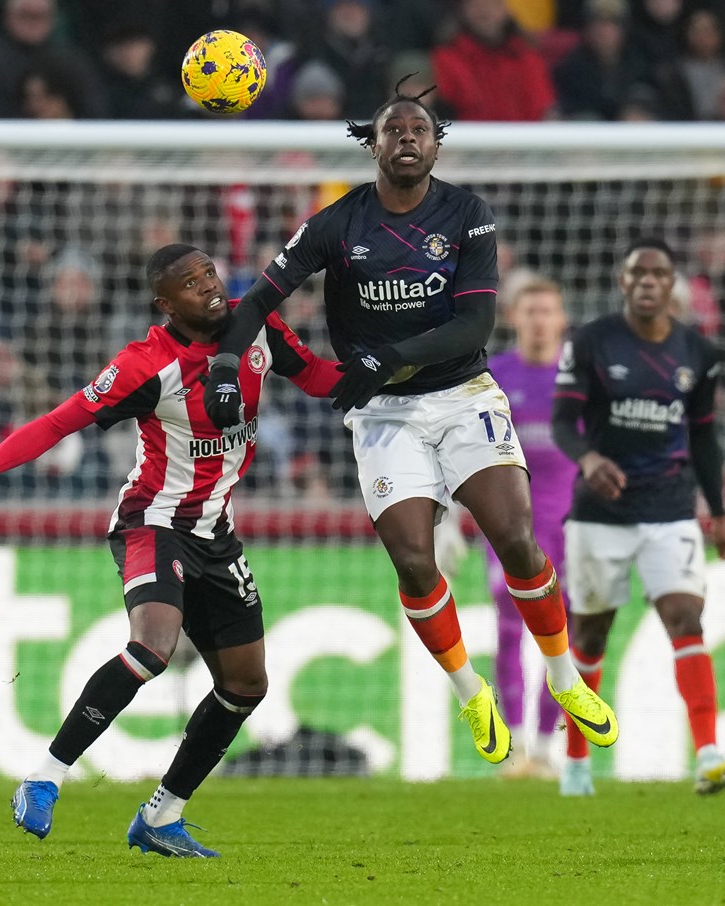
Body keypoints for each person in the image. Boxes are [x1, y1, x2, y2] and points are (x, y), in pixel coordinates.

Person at [201, 77, 619, 768]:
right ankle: (469, 692)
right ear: (372, 144)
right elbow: (259, 298)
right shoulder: (337, 223)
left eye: (418, 130)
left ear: (435, 144)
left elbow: (474, 323)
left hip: (462, 397)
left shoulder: (466, 214)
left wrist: (385, 359)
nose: (405, 138)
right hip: (383, 415)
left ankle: (565, 678)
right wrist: (222, 365)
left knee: (514, 540)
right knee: (414, 560)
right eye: (392, 129)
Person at [0, 244, 340, 857]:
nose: (208, 286)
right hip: (151, 522)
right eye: (190, 282)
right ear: (165, 304)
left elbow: (318, 376)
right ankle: (45, 776)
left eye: (209, 272)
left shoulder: (255, 321)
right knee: (153, 646)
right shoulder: (145, 364)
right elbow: (57, 422)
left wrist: (401, 373)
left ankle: (162, 815)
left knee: (245, 686)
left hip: (217, 532)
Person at [551, 237, 725, 797]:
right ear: (623, 281)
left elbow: (706, 438)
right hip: (600, 513)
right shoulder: (591, 342)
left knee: (686, 617)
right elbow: (564, 422)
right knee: (589, 636)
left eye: (658, 273)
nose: (647, 282)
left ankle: (708, 753)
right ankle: (576, 761)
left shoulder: (699, 355)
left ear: (672, 285)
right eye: (637, 272)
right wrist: (588, 459)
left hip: (670, 508)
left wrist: (721, 513)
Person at [483, 277, 578, 777]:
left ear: (561, 319)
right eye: (531, 311)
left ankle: (545, 748)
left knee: (562, 635)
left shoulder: (583, 381)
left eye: (548, 311)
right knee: (508, 627)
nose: (540, 320)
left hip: (569, 526)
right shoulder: (494, 377)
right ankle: (515, 746)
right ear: (514, 318)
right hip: (506, 524)